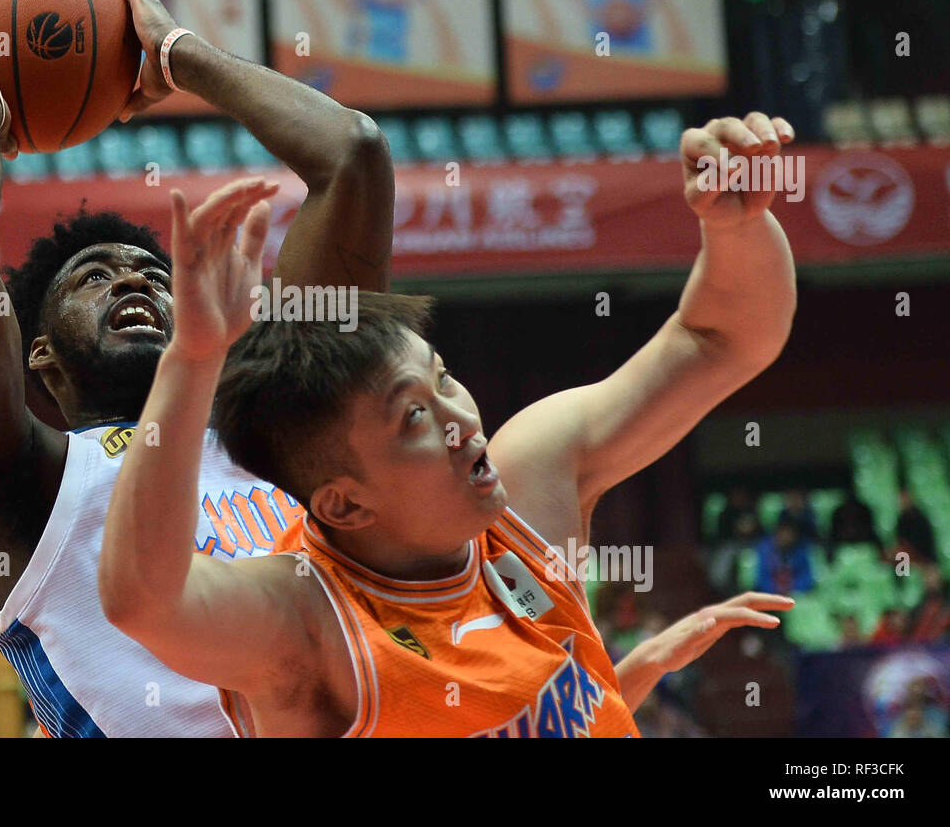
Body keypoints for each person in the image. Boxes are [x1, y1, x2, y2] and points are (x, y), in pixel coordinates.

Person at [99, 112, 799, 736]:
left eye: (443, 379)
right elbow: (140, 600)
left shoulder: (528, 483)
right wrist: (192, 358)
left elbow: (721, 339)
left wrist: (734, 226)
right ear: (344, 500)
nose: (461, 418)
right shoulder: (310, 622)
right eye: (414, 417)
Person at [0, 0, 395, 736]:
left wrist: (179, 55)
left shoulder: (274, 432)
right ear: (40, 357)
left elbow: (353, 157)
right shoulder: (24, 481)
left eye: (153, 273)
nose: (135, 282)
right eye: (94, 277)